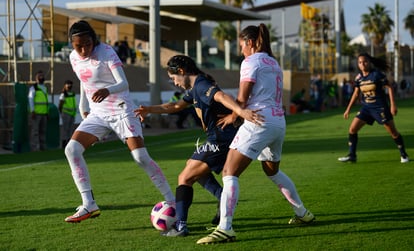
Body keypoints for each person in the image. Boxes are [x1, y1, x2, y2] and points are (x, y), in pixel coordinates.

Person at [197, 24, 314, 245]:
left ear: (249, 42)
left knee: (229, 171)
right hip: (278, 120)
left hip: (258, 120)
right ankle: (302, 213)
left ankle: (225, 228)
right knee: (273, 172)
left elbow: (243, 98)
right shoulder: (273, 62)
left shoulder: (251, 61)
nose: (241, 51)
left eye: (242, 46)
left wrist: (234, 114)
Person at [135, 55, 263, 237]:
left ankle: (180, 225)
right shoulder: (194, 88)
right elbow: (176, 106)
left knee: (185, 178)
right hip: (218, 137)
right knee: (192, 166)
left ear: (182, 71)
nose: (175, 83)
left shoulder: (201, 85)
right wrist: (149, 109)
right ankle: (221, 197)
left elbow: (221, 96)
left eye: (174, 78)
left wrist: (240, 111)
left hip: (221, 139)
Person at [64, 20, 175, 223]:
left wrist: (107, 90)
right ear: (71, 44)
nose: (83, 49)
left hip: (122, 110)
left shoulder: (106, 52)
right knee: (71, 150)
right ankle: (89, 203)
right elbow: (83, 80)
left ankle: (173, 201)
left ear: (93, 40)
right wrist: (83, 106)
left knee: (140, 157)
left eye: (87, 44)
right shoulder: (74, 57)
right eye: (78, 45)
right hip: (98, 113)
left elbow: (124, 83)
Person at [338, 52, 409, 164]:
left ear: (369, 62)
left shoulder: (377, 74)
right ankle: (352, 155)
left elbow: (389, 87)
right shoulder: (359, 77)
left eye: (365, 61)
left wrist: (393, 105)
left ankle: (403, 154)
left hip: (380, 107)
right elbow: (356, 94)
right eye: (360, 62)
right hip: (366, 108)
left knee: (393, 132)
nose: (363, 64)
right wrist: (348, 109)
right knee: (352, 129)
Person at [28, 70, 49, 151]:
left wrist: (47, 112)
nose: (41, 77)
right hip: (36, 113)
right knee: (35, 131)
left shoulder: (44, 88)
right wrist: (32, 111)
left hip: (44, 113)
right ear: (36, 78)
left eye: (42, 76)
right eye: (39, 76)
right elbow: (30, 100)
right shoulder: (33, 88)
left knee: (43, 131)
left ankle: (42, 147)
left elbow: (46, 101)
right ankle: (35, 148)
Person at [58, 80, 76, 148]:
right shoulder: (63, 94)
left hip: (72, 114)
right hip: (66, 113)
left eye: (70, 84)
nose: (69, 86)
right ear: (65, 85)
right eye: (68, 84)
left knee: (70, 129)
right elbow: (60, 104)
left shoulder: (72, 93)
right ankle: (64, 143)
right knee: (65, 129)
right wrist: (61, 112)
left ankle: (69, 142)